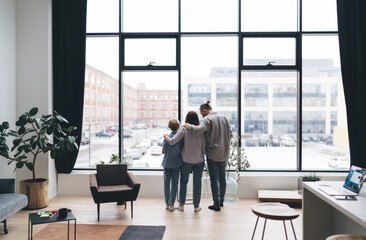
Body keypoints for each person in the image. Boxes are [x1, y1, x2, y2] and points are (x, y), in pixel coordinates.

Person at [184, 101, 232, 211]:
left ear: (204, 111)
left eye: (202, 114)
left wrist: (187, 125)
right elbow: (231, 133)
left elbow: (198, 130)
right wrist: (224, 143)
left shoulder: (207, 119)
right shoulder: (224, 118)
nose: (202, 116)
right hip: (224, 153)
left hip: (212, 154)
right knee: (222, 178)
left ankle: (216, 204)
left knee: (214, 179)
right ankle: (221, 201)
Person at [164, 111, 206, 212]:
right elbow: (204, 146)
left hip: (186, 160)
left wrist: (165, 136)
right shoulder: (202, 130)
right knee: (197, 183)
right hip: (199, 160)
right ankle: (196, 206)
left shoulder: (184, 129)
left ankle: (181, 205)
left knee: (183, 182)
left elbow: (172, 141)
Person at [162, 119, 184, 211]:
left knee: (166, 184)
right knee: (174, 184)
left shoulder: (166, 137)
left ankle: (167, 204)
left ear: (169, 127)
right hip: (176, 163)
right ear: (178, 126)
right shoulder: (180, 138)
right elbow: (182, 150)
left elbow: (163, 151)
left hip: (167, 164)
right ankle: (171, 204)